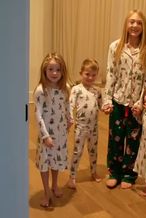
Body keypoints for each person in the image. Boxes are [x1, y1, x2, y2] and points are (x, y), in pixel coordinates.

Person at [102, 9, 146, 189]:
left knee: (134, 140)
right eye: (131, 22)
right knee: (115, 138)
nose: (135, 26)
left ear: (144, 26)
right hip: (118, 100)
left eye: (139, 22)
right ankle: (114, 171)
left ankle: (129, 174)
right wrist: (107, 100)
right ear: (126, 24)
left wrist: (141, 103)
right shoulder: (115, 46)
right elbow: (110, 74)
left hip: (137, 104)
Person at [34, 52, 72, 207]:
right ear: (44, 70)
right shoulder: (41, 90)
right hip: (47, 134)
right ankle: (46, 191)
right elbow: (38, 113)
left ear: (63, 71)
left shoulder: (65, 88)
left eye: (58, 69)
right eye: (51, 69)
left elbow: (67, 105)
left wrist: (70, 119)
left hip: (61, 132)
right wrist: (45, 136)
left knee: (55, 161)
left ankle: (55, 185)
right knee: (45, 162)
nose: (54, 73)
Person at [67, 58, 102, 189]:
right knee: (77, 151)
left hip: (94, 127)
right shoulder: (76, 89)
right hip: (81, 127)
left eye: (93, 75)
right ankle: (72, 176)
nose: (90, 77)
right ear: (81, 73)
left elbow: (101, 105)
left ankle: (93, 172)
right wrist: (70, 119)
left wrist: (107, 108)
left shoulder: (97, 91)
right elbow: (70, 105)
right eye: (87, 74)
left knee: (93, 151)